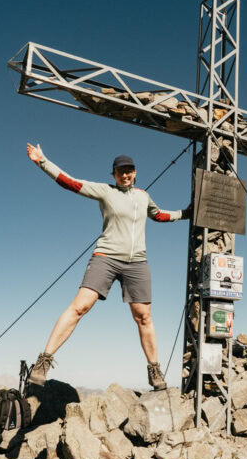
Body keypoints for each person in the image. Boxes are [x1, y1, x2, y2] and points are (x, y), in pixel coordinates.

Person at [25, 143, 190, 390]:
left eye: (129, 170)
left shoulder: (143, 196)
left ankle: (154, 371)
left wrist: (185, 213)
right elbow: (71, 182)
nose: (126, 175)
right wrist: (42, 161)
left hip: (137, 263)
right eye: (120, 171)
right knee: (80, 306)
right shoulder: (105, 191)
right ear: (113, 174)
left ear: (135, 172)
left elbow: (158, 215)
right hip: (106, 257)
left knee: (143, 316)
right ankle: (43, 362)